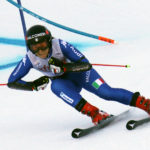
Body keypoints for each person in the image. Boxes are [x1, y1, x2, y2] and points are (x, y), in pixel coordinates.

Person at [7, 25, 150, 125]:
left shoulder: (60, 45)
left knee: (106, 92)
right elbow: (12, 81)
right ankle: (95, 113)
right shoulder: (29, 58)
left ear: (49, 41)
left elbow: (85, 65)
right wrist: (33, 85)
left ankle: (145, 103)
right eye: (35, 47)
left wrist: (63, 66)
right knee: (56, 86)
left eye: (43, 45)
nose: (40, 51)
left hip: (83, 75)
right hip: (65, 82)